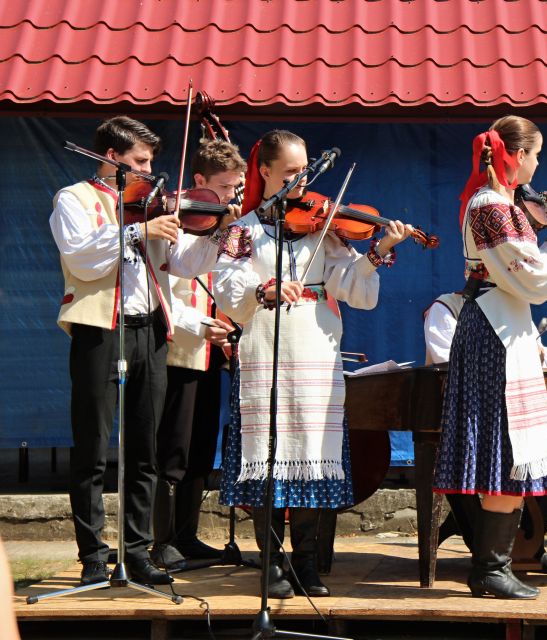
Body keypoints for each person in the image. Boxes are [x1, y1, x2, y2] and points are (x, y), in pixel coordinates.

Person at [213, 129, 413, 599]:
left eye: (305, 170)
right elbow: (227, 288)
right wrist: (261, 290)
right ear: (264, 171)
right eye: (290, 172)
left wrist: (379, 252)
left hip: (315, 352)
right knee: (267, 458)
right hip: (265, 351)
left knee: (312, 457)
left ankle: (306, 564)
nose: (302, 180)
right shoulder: (242, 230)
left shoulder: (324, 228)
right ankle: (271, 563)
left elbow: (352, 288)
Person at [50, 116, 224, 586]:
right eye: (141, 161)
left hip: (151, 330)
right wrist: (138, 232)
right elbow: (82, 259)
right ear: (113, 157)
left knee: (144, 447)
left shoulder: (152, 205)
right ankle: (92, 555)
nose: (150, 170)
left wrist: (215, 233)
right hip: (99, 329)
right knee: (91, 446)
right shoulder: (74, 199)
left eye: (150, 162)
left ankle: (137, 550)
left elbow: (182, 265)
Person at [433, 115, 547, 600]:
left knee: (511, 448)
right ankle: (489, 568)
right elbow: (527, 275)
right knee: (505, 447)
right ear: (517, 156)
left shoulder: (501, 204)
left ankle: (493, 566)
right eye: (535, 155)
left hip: (504, 323)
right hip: (493, 329)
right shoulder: (491, 206)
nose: (538, 165)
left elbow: (525, 267)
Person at [424, 291, 547, 574]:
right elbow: (447, 357)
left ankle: (530, 543)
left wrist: (536, 352)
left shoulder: (511, 303)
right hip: (464, 410)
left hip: (505, 407)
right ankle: (483, 549)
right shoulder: (446, 307)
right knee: (464, 453)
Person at [151, 139, 245, 570]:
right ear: (199, 181)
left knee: (202, 447)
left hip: (214, 350)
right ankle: (161, 540)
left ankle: (186, 535)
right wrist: (201, 325)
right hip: (181, 347)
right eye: (223, 188)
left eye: (236, 189)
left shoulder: (225, 226)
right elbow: (164, 292)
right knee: (173, 446)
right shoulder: (175, 220)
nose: (230, 197)